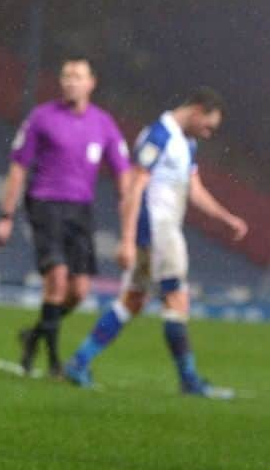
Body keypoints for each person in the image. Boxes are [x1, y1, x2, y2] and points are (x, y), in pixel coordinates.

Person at [64, 87, 248, 396]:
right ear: (197, 110)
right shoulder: (159, 135)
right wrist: (126, 239)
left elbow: (194, 189)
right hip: (159, 230)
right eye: (209, 125)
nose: (208, 133)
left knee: (133, 300)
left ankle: (79, 361)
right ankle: (189, 380)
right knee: (177, 299)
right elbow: (135, 187)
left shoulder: (186, 142)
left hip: (163, 230)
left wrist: (226, 217)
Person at [0, 58, 130, 376]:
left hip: (81, 210)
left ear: (91, 82)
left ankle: (34, 335)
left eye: (77, 76)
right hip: (45, 203)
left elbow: (123, 172)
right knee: (56, 279)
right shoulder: (41, 117)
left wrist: (129, 212)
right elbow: (18, 166)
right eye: (66, 76)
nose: (70, 82)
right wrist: (6, 215)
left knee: (79, 291)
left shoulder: (104, 124)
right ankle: (53, 362)